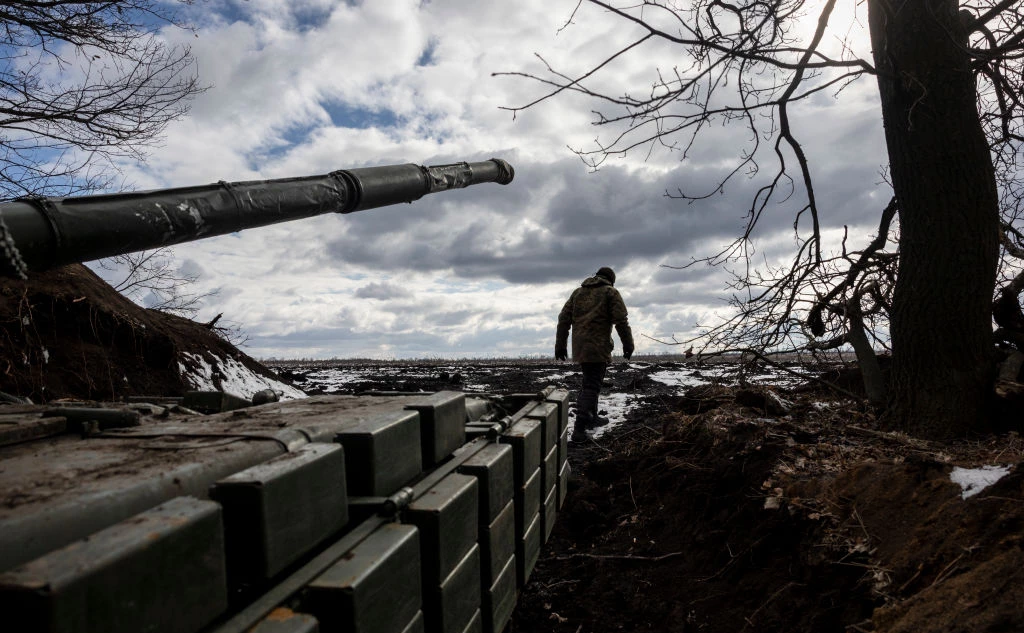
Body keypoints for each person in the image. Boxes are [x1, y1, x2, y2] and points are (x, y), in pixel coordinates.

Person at [554, 266, 634, 442]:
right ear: (611, 280)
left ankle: (593, 418)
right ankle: (579, 430)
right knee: (591, 386)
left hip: (581, 348)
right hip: (598, 348)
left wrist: (560, 345)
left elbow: (563, 320)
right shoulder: (610, 292)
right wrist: (628, 345)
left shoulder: (578, 293)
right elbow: (621, 321)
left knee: (589, 382)